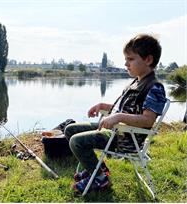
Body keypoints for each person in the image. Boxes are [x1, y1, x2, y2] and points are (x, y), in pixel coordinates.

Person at [64, 34, 167, 194]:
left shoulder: (154, 88)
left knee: (76, 142)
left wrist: (117, 117)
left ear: (148, 60)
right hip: (115, 131)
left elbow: (147, 120)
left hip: (124, 139)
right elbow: (124, 109)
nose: (126, 64)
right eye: (126, 59)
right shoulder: (136, 82)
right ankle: (98, 168)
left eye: (130, 59)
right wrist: (103, 106)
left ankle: (99, 178)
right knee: (70, 129)